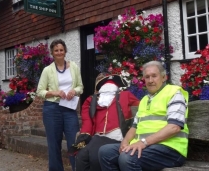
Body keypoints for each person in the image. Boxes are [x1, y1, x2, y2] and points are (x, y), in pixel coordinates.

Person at [98, 61, 189, 171]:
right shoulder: (145, 100)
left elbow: (174, 127)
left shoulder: (173, 93)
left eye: (154, 76)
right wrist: (125, 142)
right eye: (147, 77)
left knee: (127, 158)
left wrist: (143, 142)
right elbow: (134, 127)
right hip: (148, 146)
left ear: (164, 77)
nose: (150, 80)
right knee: (105, 152)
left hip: (170, 149)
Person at [73, 73, 140, 171]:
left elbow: (142, 108)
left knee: (95, 158)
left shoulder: (125, 95)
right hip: (97, 136)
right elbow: (87, 121)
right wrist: (84, 135)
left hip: (116, 137)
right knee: (81, 155)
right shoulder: (92, 100)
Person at [36, 39, 84, 171]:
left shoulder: (73, 67)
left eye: (61, 50)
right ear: (52, 52)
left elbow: (81, 87)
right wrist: (55, 92)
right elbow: (40, 91)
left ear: (65, 51)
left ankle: (77, 168)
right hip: (52, 109)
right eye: (56, 50)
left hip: (69, 109)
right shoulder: (47, 70)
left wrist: (74, 91)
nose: (59, 52)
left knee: (74, 142)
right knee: (54, 144)